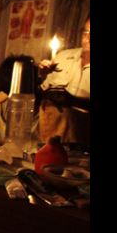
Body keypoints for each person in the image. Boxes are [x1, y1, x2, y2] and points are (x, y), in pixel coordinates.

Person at [37, 17, 90, 146]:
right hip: (49, 137)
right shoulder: (63, 57)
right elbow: (42, 91)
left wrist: (72, 101)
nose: (88, 38)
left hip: (82, 141)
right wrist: (42, 75)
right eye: (86, 32)